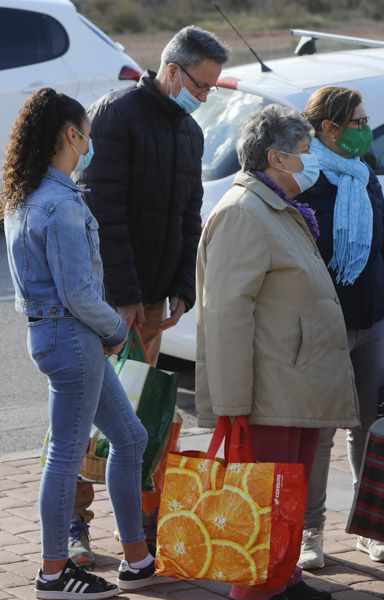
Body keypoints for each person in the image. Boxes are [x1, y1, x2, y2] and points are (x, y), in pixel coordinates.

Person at [70, 25, 229, 568]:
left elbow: (190, 215)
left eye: (210, 90)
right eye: (200, 85)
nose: (203, 97)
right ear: (171, 70)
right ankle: (74, 521)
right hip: (112, 302)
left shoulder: (189, 132)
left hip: (156, 304)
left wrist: (182, 289)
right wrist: (125, 296)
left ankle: (137, 523)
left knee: (141, 418)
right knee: (88, 418)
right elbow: (103, 214)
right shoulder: (117, 115)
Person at [195, 104, 359, 600]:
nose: (312, 162)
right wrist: (232, 401)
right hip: (267, 386)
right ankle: (252, 595)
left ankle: (283, 576)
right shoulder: (244, 212)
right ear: (276, 158)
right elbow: (225, 311)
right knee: (264, 489)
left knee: (288, 487)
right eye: (305, 153)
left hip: (295, 378)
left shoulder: (278, 207)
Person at [2, 88, 164, 600]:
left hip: (54, 337)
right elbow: (77, 293)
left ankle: (136, 558)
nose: (89, 143)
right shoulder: (61, 205)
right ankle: (54, 571)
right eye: (87, 134)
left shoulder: (25, 197)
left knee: (131, 437)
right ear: (71, 135)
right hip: (73, 341)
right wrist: (117, 333)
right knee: (66, 457)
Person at [297, 86, 384, 569]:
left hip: (375, 321)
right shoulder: (304, 178)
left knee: (370, 428)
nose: (366, 131)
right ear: (329, 128)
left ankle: (370, 527)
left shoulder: (365, 175)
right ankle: (310, 533)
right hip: (326, 326)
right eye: (358, 123)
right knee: (321, 431)